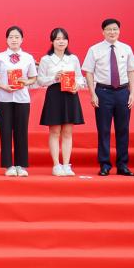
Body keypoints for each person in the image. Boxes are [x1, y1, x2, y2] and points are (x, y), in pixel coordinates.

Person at [82, 18, 134, 177]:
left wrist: (132, 93)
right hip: (103, 92)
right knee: (104, 130)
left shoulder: (126, 48)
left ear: (119, 31)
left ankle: (123, 165)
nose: (112, 32)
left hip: (122, 92)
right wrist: (92, 93)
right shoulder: (94, 49)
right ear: (103, 32)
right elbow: (89, 72)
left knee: (123, 129)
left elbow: (131, 71)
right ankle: (105, 164)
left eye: (115, 29)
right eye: (109, 29)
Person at [36, 28, 86, 177]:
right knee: (55, 131)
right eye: (57, 39)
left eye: (64, 39)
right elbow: (40, 80)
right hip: (54, 94)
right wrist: (54, 77)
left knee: (68, 132)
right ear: (52, 41)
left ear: (67, 41)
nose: (61, 42)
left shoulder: (73, 58)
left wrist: (77, 85)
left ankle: (66, 165)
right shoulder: (46, 59)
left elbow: (80, 78)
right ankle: (56, 165)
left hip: (70, 95)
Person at [0, 26, 37, 177]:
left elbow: (33, 78)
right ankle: (8, 165)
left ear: (22, 39)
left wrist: (26, 82)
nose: (14, 40)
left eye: (17, 37)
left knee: (21, 131)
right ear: (6, 40)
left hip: (22, 99)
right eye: (11, 37)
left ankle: (20, 165)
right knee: (5, 131)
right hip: (3, 98)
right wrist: (3, 86)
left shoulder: (28, 57)